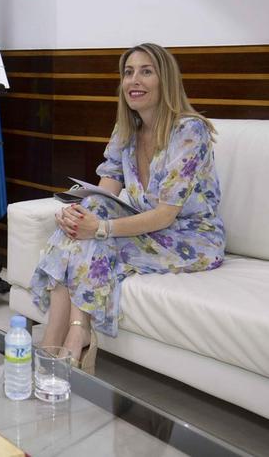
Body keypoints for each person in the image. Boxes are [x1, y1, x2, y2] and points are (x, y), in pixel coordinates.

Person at [30, 43, 225, 373]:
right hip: (148, 228)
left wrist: (101, 227)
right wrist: (82, 215)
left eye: (146, 71)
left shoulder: (190, 131)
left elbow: (166, 214)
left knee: (94, 234)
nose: (135, 80)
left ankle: (68, 343)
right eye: (128, 72)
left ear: (166, 81)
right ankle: (62, 341)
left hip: (193, 238)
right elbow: (106, 192)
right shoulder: (127, 129)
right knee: (81, 227)